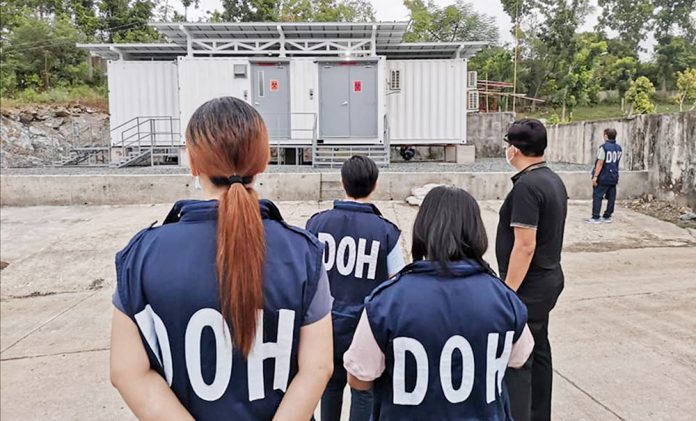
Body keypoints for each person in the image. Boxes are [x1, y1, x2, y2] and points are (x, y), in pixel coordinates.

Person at [109, 97, 333, 420]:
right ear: (264, 161)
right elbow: (318, 367)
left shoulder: (141, 256)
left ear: (193, 164)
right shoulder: (304, 254)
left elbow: (128, 373)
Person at [343, 186, 534, 420]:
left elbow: (359, 377)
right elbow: (518, 357)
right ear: (476, 231)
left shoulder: (386, 301)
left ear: (422, 229)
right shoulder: (503, 299)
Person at [306, 155, 405, 421]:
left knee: (330, 383)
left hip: (325, 322)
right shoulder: (387, 232)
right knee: (363, 388)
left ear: (342, 183)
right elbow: (397, 284)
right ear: (375, 184)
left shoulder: (316, 224)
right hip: (367, 326)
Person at [497, 119, 568, 421]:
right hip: (548, 278)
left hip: (530, 286)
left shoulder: (527, 186)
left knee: (520, 359)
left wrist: (508, 293)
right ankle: (540, 413)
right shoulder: (552, 179)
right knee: (538, 351)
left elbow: (525, 246)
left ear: (514, 149)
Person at [587, 128, 622, 224]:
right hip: (614, 176)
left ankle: (596, 217)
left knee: (598, 196)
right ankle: (607, 216)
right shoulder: (619, 148)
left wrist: (595, 176)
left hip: (603, 176)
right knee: (611, 197)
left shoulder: (604, 147)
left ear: (606, 136)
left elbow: (600, 163)